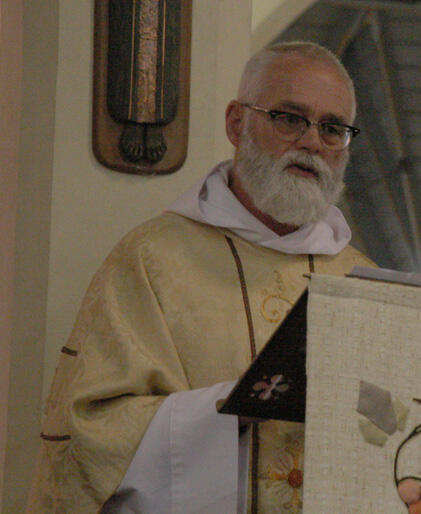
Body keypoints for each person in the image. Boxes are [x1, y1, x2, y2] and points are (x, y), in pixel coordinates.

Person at [27, 41, 374, 513]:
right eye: (290, 118)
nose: (313, 142)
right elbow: (90, 430)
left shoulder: (363, 281)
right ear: (237, 123)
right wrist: (231, 409)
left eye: (333, 128)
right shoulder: (153, 259)